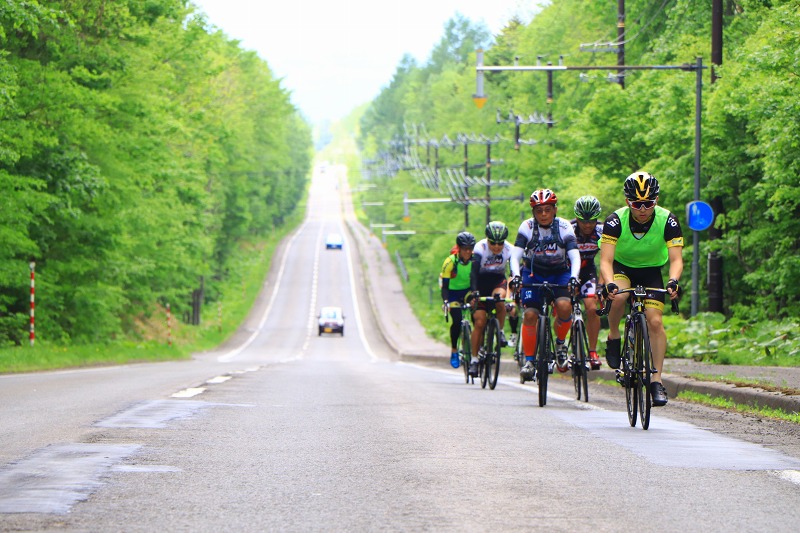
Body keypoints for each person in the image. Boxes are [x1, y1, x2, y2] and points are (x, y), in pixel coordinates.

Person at [599, 172, 683, 407]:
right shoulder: (615, 220)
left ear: (656, 200)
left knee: (655, 321)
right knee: (618, 298)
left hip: (651, 271)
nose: (643, 209)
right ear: (628, 202)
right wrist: (609, 283)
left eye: (649, 203)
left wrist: (673, 280)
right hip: (622, 268)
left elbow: (676, 260)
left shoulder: (668, 220)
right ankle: (614, 334)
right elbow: (605, 260)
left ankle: (656, 381)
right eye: (637, 204)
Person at [509, 189, 581, 382]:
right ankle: (530, 361)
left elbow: (574, 255)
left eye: (547, 210)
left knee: (565, 306)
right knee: (531, 314)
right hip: (533, 272)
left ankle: (559, 344)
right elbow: (515, 256)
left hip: (560, 272)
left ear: (554, 210)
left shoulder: (564, 227)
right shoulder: (527, 227)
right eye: (539, 210)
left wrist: (574, 276)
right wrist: (516, 276)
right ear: (533, 212)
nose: (543, 214)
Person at [467, 221, 513, 376]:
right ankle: (474, 359)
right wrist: (473, 292)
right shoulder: (480, 248)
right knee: (479, 322)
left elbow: (514, 273)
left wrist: (513, 294)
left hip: (497, 281)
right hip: (480, 283)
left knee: (500, 300)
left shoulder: (509, 249)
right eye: (493, 242)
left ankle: (499, 331)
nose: (496, 246)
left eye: (500, 243)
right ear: (487, 239)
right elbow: (473, 273)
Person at [571, 195, 605, 370]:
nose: (587, 224)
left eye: (591, 220)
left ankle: (592, 352)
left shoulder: (602, 231)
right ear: (576, 217)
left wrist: (601, 285)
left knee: (593, 308)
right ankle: (562, 345)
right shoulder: (567, 230)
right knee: (562, 308)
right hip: (567, 271)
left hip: (588, 271)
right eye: (582, 220)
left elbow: (609, 259)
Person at [440, 231, 476, 369]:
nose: (468, 252)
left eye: (470, 249)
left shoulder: (474, 260)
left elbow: (474, 279)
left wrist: (474, 295)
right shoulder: (450, 262)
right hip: (452, 293)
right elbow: (445, 286)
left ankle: (475, 347)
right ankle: (454, 350)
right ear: (459, 249)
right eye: (465, 249)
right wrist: (446, 301)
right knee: (456, 320)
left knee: (477, 316)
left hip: (467, 291)